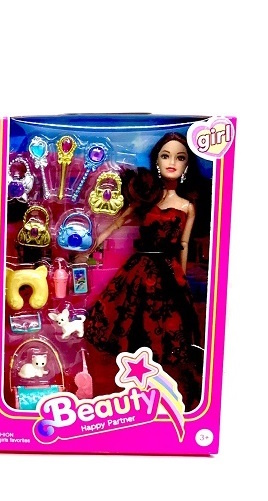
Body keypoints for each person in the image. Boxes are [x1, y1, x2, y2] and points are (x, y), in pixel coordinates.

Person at [83, 132, 204, 407]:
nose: (172, 162)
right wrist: (93, 244)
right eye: (165, 156)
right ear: (156, 161)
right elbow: (119, 221)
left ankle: (159, 387)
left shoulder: (187, 206)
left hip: (168, 271)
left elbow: (183, 243)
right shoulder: (148, 198)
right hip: (140, 268)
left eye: (180, 157)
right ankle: (131, 385)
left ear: (187, 165)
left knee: (166, 325)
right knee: (128, 320)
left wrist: (182, 276)